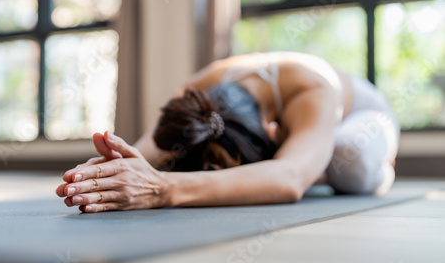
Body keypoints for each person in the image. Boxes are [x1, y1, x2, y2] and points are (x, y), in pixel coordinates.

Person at [56, 52, 400, 213]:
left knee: (346, 160)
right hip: (295, 128)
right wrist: (116, 164)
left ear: (272, 130)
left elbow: (290, 179)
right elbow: (151, 149)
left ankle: (372, 168)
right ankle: (312, 156)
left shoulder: (312, 88)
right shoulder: (198, 91)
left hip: (362, 116)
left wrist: (163, 188)